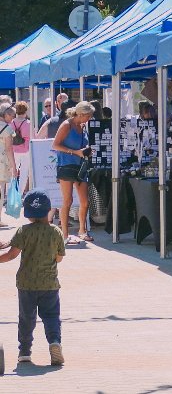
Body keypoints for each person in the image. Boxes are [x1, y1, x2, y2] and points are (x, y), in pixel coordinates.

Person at [1, 191, 67, 366]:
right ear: (47, 211)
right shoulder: (56, 231)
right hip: (50, 284)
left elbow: (11, 255)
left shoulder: (24, 231)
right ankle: (54, 342)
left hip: (27, 284)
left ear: (28, 214)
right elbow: (59, 257)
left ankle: (24, 352)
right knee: (52, 316)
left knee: (26, 318)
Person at [53, 102, 95, 243]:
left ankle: (82, 231)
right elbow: (55, 145)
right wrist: (74, 152)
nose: (89, 119)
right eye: (88, 116)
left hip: (80, 165)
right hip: (66, 165)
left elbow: (82, 146)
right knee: (68, 200)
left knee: (85, 201)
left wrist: (87, 151)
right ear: (81, 114)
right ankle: (64, 235)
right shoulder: (66, 125)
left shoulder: (82, 127)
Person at [0, 104, 17, 203]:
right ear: (5, 114)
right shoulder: (7, 129)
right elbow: (9, 149)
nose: (13, 118)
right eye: (12, 115)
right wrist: (13, 167)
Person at [14, 101, 32, 191]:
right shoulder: (29, 123)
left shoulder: (11, 123)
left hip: (13, 150)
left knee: (12, 172)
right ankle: (20, 193)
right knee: (24, 173)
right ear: (26, 111)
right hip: (26, 150)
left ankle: (10, 194)